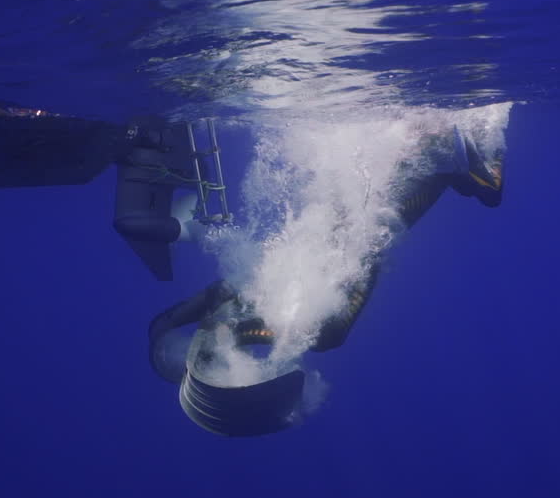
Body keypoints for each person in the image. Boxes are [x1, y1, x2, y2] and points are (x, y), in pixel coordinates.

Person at [148, 127, 504, 436]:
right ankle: (227, 326)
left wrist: (180, 321)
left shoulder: (439, 161)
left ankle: (228, 327)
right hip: (357, 218)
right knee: (307, 304)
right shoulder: (433, 162)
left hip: (358, 218)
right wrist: (176, 320)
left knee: (315, 315)